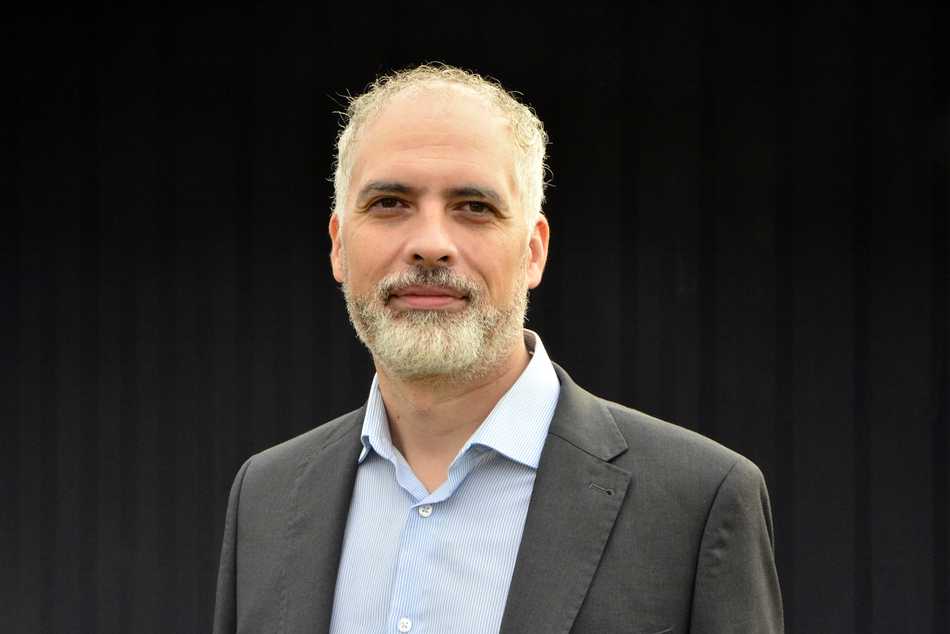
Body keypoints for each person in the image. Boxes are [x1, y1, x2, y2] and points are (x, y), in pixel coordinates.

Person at [212, 63, 783, 634]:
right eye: (389, 202)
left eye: (474, 207)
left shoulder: (699, 502)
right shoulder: (266, 496)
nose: (431, 244)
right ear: (339, 246)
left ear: (533, 251)